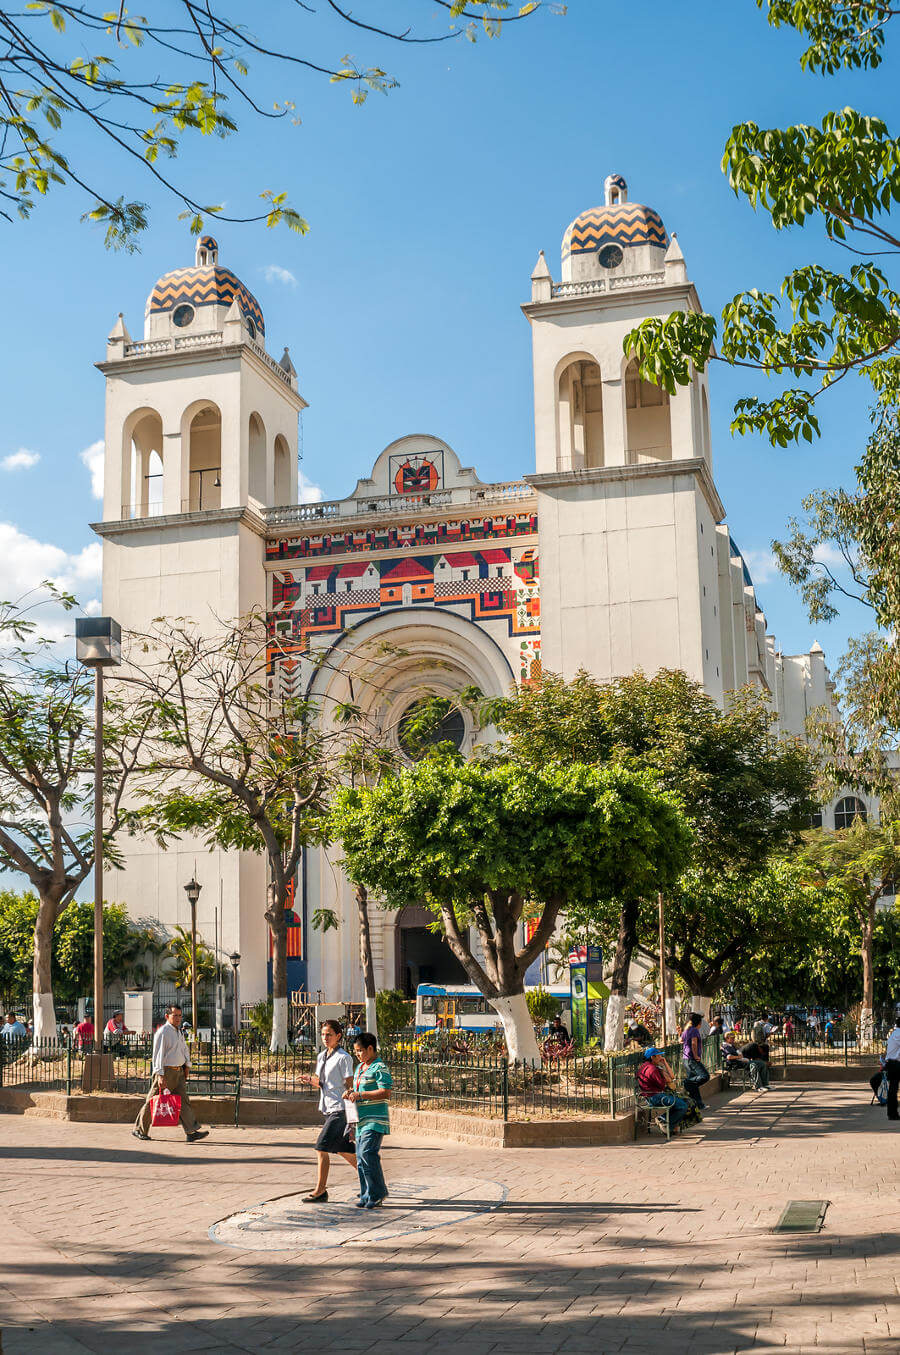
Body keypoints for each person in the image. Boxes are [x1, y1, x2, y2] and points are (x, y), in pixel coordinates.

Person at [133, 1004, 208, 1143]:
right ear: (167, 1016)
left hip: (178, 1072)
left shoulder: (178, 1031)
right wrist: (160, 1075)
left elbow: (183, 1049)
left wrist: (187, 1066)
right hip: (165, 1072)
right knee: (153, 1101)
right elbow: (158, 1055)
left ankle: (191, 1131)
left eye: (180, 1015)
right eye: (175, 1015)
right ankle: (139, 1129)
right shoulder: (163, 1032)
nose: (178, 1018)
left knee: (184, 1101)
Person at [302, 1020, 356, 1203]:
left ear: (338, 1036)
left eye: (329, 1034)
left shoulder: (344, 1057)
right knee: (344, 1151)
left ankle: (320, 1190)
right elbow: (323, 1082)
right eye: (323, 1034)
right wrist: (310, 1080)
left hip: (340, 1110)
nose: (325, 1038)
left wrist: (353, 1112)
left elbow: (350, 1084)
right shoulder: (322, 1056)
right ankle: (373, 1182)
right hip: (328, 1107)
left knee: (321, 1147)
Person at [345, 1031, 392, 1209]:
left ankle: (378, 1192)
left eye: (360, 1051)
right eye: (355, 1051)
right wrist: (350, 1093)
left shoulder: (379, 1067)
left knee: (367, 1153)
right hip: (360, 1119)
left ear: (370, 1048)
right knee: (360, 1157)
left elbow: (385, 1092)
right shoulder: (359, 1068)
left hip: (375, 1119)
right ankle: (366, 1194)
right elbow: (355, 1089)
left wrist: (361, 1094)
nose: (357, 1054)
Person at [637, 1048, 696, 1132]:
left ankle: (668, 1126)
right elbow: (662, 1085)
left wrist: (663, 1065)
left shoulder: (645, 1066)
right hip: (655, 1097)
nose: (661, 1057)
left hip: (650, 1096)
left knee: (686, 1102)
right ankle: (663, 1120)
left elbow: (671, 1077)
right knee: (683, 1105)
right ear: (652, 1057)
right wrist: (662, 1073)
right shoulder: (652, 1069)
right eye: (659, 1056)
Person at [681, 1012, 711, 1111]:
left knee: (693, 1085)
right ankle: (686, 1083)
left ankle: (698, 1105)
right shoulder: (694, 1030)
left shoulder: (687, 1030)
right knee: (705, 1076)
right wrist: (696, 1056)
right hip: (691, 1059)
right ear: (699, 1023)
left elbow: (680, 1040)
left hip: (686, 1058)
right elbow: (694, 1043)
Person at [741, 1024, 771, 1090]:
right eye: (762, 1052)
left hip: (748, 1060)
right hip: (743, 1060)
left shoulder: (758, 1049)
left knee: (763, 1065)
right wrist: (765, 1062)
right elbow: (755, 1059)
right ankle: (758, 1086)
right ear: (760, 1048)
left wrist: (765, 1063)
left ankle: (765, 1084)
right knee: (755, 1066)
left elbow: (756, 1058)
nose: (762, 1053)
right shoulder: (753, 1046)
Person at [883, 1013, 900, 1121]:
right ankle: (893, 1113)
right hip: (896, 1064)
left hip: (891, 1063)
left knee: (892, 1089)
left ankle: (892, 1113)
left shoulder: (895, 1033)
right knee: (893, 1089)